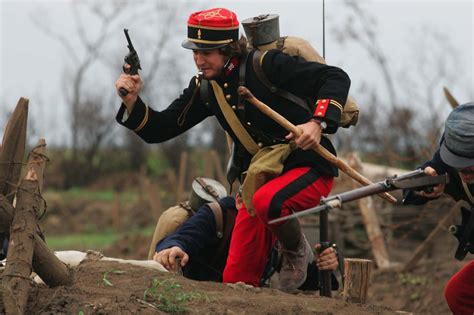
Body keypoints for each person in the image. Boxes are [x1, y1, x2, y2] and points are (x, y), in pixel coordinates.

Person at [115, 7, 350, 292]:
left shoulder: (267, 65)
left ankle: (297, 250)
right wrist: (132, 100)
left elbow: (334, 78)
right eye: (195, 52)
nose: (199, 60)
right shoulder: (205, 88)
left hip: (309, 166)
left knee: (267, 201)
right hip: (258, 181)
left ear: (228, 49)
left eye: (207, 53)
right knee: (236, 282)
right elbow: (161, 128)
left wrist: (317, 123)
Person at [153, 196, 339, 291]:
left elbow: (306, 279)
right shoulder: (220, 214)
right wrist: (174, 247)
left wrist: (326, 266)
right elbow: (186, 236)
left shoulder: (279, 230)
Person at [403, 103, 474, 314]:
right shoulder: (451, 151)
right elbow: (411, 189)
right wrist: (424, 186)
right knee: (458, 294)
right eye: (458, 162)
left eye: (469, 164)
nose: (462, 170)